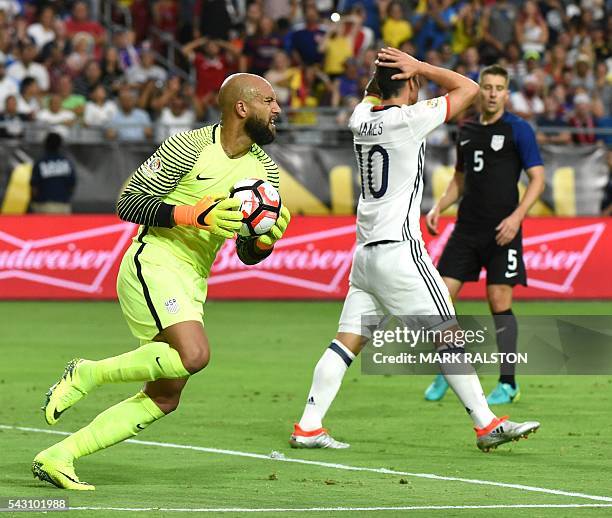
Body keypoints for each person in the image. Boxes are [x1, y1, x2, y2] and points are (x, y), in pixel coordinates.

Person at [31, 73, 291, 490]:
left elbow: (246, 254)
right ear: (242, 107)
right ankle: (87, 374)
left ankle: (60, 455)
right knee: (194, 354)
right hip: (153, 260)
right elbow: (128, 202)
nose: (277, 109)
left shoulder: (267, 174)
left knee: (165, 396)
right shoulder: (188, 146)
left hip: (193, 278)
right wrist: (193, 215)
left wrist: (262, 243)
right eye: (269, 100)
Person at [290, 48, 539, 452]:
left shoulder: (360, 118)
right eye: (412, 78)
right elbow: (470, 88)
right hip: (400, 253)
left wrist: (387, 73)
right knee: (449, 334)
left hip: (365, 256)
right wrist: (419, 65)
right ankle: (485, 423)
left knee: (346, 341)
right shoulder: (409, 120)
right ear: (408, 81)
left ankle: (308, 425)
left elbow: (374, 93)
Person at [423, 64, 545, 405]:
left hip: (503, 231)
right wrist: (438, 207)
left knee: (499, 302)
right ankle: (451, 369)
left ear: (506, 92)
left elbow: (537, 178)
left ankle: (508, 383)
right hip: (466, 229)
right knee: (441, 300)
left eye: (498, 88)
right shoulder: (467, 129)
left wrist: (517, 218)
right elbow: (460, 179)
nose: (492, 93)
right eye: (487, 87)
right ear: (479, 90)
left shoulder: (518, 130)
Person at [29, 132, 76, 214]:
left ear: (45, 144)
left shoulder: (41, 162)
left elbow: (34, 186)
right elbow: (72, 184)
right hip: (63, 205)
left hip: (44, 205)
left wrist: (35, 203)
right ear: (60, 145)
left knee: (44, 227)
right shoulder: (66, 162)